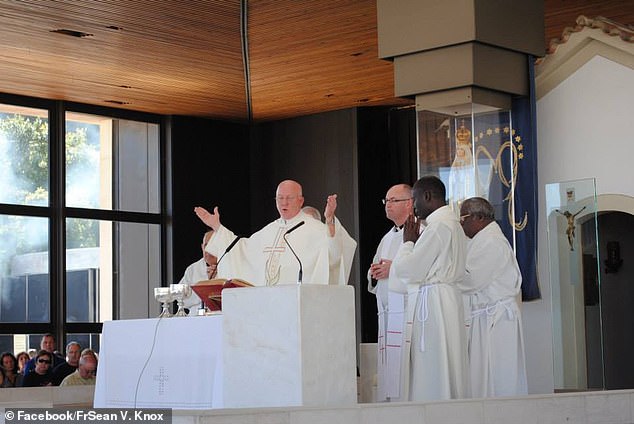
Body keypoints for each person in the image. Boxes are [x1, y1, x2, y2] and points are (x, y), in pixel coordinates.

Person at [390, 175, 468, 401]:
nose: (413, 206)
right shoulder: (450, 223)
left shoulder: (437, 227)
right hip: (445, 300)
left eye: (414, 199)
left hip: (434, 304)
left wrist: (408, 242)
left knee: (434, 366)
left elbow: (410, 270)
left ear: (427, 196)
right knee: (447, 362)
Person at [194, 179, 356, 286]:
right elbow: (242, 250)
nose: (284, 202)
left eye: (289, 198)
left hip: (301, 305)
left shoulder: (315, 228)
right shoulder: (269, 230)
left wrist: (329, 220)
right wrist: (218, 228)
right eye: (280, 198)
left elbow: (334, 255)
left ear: (301, 200)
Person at [458, 197, 528, 398]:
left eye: (463, 219)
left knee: (499, 377)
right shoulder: (481, 241)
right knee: (482, 379)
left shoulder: (492, 243)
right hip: (484, 319)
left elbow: (470, 280)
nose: (461, 224)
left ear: (479, 217)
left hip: (496, 321)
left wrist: (444, 277)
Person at [367, 183, 413, 402]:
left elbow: (419, 266)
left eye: (394, 200)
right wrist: (374, 271)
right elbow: (377, 266)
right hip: (387, 313)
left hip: (406, 313)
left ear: (410, 203)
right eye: (386, 201)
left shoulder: (419, 231)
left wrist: (391, 268)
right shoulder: (387, 237)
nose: (388, 205)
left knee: (405, 372)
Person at [178, 230, 218, 315]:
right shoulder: (193, 269)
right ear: (202, 247)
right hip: (195, 317)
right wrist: (203, 288)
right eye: (206, 245)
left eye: (212, 245)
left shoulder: (231, 266)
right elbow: (180, 298)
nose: (208, 249)